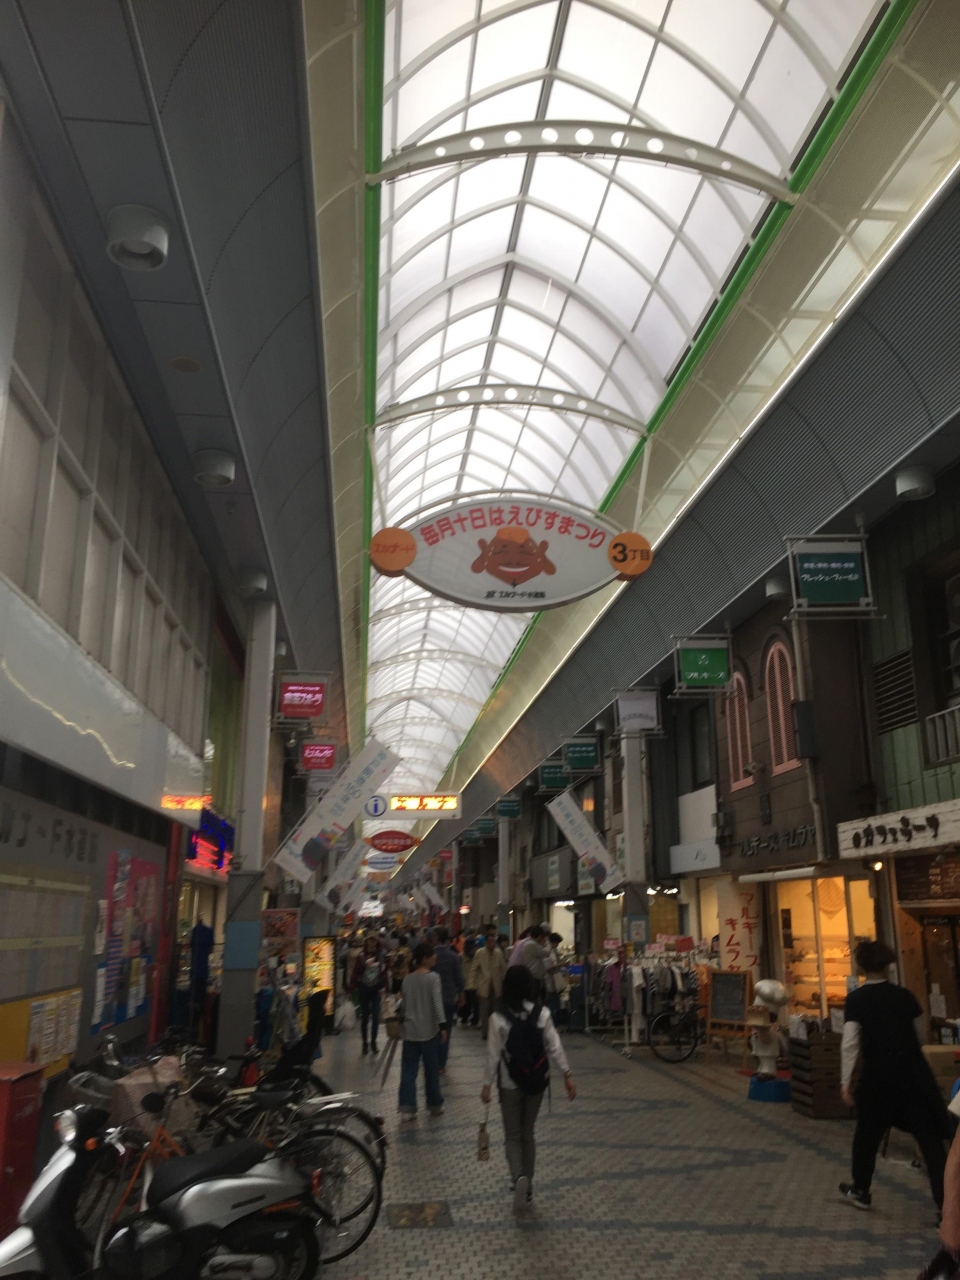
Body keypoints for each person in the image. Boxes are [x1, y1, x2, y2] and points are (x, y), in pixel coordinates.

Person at [839, 939, 951, 1212]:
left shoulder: (857, 999)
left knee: (866, 1137)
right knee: (931, 1143)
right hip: (913, 1077)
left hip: (877, 1078)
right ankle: (946, 1206)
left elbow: (850, 1043)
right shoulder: (905, 997)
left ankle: (861, 1190)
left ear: (861, 967)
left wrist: (845, 1083)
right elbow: (919, 1035)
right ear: (888, 966)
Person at [481, 964, 575, 1213]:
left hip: (509, 1084)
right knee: (528, 1133)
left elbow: (492, 1054)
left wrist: (487, 1085)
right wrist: (567, 1075)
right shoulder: (542, 1013)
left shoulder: (497, 1017)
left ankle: (518, 1178)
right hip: (536, 1083)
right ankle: (529, 1187)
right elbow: (554, 1046)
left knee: (512, 1136)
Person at [398, 942, 447, 1120]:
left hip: (410, 1032)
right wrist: (443, 1026)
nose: (435, 957)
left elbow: (403, 1005)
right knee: (431, 1071)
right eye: (432, 955)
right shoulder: (433, 978)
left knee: (408, 1071)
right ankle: (434, 1105)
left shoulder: (407, 979)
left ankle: (407, 1108)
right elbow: (437, 1004)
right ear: (425, 959)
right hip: (429, 1032)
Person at [348, 934, 388, 1055]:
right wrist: (351, 989)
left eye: (373, 940)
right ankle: (365, 1043)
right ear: (366, 942)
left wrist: (385, 988)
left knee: (375, 1016)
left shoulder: (381, 956)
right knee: (365, 1016)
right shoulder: (361, 956)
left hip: (376, 989)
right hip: (364, 989)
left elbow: (384, 972)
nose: (372, 943)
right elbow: (356, 973)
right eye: (369, 940)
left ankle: (373, 1042)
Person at [432, 926, 465, 1072]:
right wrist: (461, 994)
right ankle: (441, 1064)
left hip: (432, 999)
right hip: (448, 999)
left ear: (436, 938)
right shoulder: (453, 956)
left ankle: (432, 1059)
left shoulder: (430, 956)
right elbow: (459, 978)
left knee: (432, 1031)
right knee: (446, 1030)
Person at [472, 928, 507, 1039]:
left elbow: (503, 968)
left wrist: (505, 981)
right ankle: (485, 1033)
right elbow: (474, 969)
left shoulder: (499, 953)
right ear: (486, 942)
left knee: (496, 1012)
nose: (492, 943)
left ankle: (495, 1033)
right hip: (484, 986)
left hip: (496, 986)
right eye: (490, 941)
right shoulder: (480, 953)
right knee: (484, 1011)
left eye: (493, 941)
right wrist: (473, 984)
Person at [544, 932, 564, 1024]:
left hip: (553, 979)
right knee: (551, 1001)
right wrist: (560, 965)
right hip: (549, 979)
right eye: (557, 943)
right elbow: (547, 967)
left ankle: (555, 1020)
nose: (557, 945)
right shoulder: (547, 951)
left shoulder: (551, 951)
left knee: (555, 1001)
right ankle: (552, 1021)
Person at [461, 932, 479, 1025]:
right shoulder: (461, 957)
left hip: (475, 983)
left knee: (476, 1004)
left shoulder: (478, 956)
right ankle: (465, 1018)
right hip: (465, 984)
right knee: (466, 1004)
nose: (475, 950)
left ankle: (474, 1020)